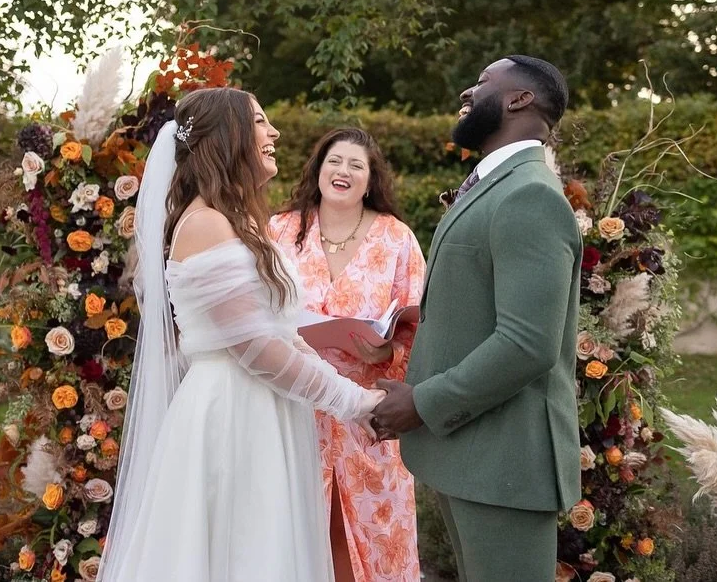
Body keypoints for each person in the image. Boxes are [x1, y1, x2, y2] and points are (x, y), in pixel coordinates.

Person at [99, 88, 385, 582]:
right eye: (259, 121)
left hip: (264, 409)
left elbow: (281, 333)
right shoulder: (205, 225)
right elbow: (258, 350)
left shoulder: (238, 222)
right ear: (228, 136)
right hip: (231, 415)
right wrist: (355, 403)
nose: (273, 133)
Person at [371, 56, 582, 582]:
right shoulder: (498, 183)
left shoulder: (530, 194)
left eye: (485, 80)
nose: (469, 88)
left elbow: (527, 344)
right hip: (475, 456)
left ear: (519, 100)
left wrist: (422, 403)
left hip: (506, 462)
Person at [270, 128, 425, 582]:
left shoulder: (397, 239)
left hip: (368, 413)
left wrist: (387, 350)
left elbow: (420, 325)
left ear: (370, 179)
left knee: (371, 539)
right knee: (296, 535)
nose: (343, 171)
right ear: (318, 169)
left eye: (356, 165)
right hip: (293, 408)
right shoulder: (279, 230)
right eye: (334, 161)